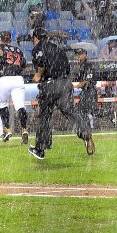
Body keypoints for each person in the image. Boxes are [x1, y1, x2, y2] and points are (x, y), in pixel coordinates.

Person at [28, 28, 90, 159]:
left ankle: (40, 149)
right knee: (69, 110)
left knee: (45, 116)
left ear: (35, 38)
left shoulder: (38, 48)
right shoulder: (58, 48)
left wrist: (38, 74)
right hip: (65, 83)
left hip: (50, 84)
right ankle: (84, 130)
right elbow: (67, 68)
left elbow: (41, 62)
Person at [0, 31, 29, 142]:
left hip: (4, 79)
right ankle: (24, 129)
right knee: (20, 106)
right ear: (10, 39)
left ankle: (8, 130)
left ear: (1, 39)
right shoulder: (18, 49)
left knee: (3, 105)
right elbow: (24, 65)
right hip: (18, 79)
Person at [71, 45, 98, 140]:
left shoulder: (88, 65)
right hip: (85, 91)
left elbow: (87, 80)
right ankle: (85, 129)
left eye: (80, 54)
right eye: (77, 54)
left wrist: (77, 85)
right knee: (81, 110)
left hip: (90, 91)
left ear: (85, 55)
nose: (78, 56)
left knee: (89, 111)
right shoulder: (81, 65)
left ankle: (109, 113)